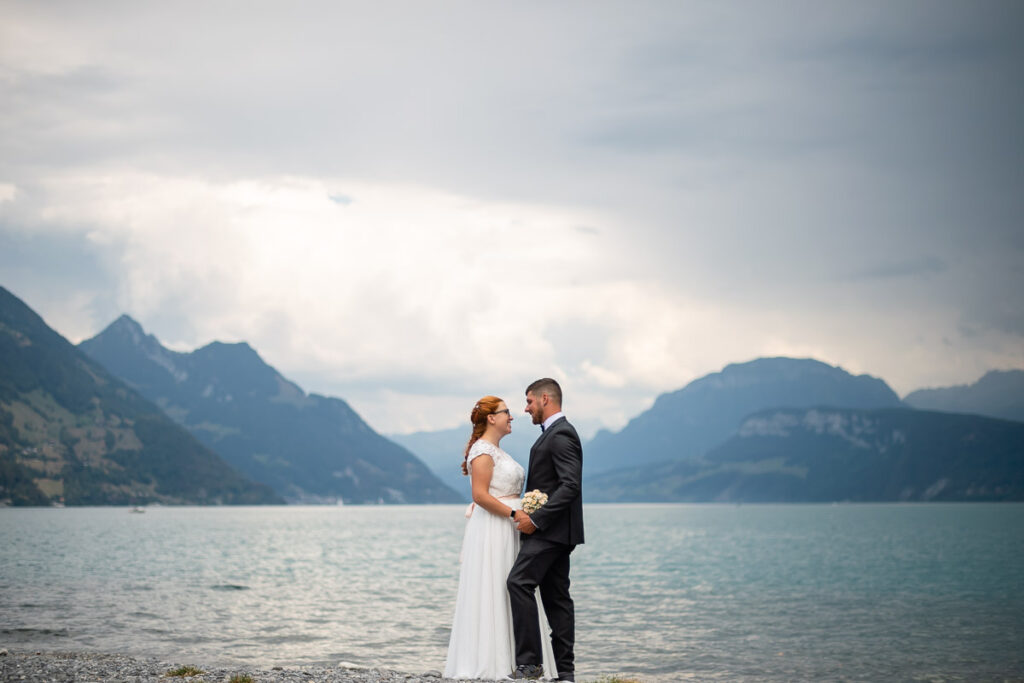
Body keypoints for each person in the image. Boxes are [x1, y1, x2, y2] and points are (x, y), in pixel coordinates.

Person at [444, 396, 556, 680]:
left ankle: (517, 659)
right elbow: (480, 496)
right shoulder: (482, 451)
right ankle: (492, 660)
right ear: (491, 418)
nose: (512, 416)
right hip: (495, 527)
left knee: (514, 589)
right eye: (506, 412)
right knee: (494, 586)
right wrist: (513, 514)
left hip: (509, 526)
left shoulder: (496, 450)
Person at [507, 378, 584, 682]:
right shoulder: (553, 433)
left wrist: (536, 519)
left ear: (545, 399)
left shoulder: (561, 434)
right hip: (557, 531)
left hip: (550, 531)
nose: (525, 409)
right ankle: (565, 673)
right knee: (556, 598)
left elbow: (570, 486)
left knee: (518, 582)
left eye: (528, 402)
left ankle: (530, 664)